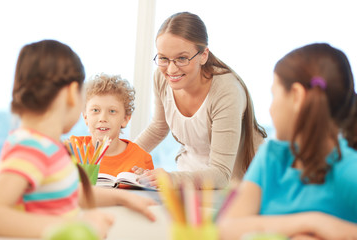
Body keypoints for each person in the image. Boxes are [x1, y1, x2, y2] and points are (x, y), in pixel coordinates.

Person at [0, 40, 156, 239]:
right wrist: (77, 228)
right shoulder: (30, 147)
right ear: (73, 94)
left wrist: (122, 197)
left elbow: (71, 192)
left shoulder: (50, 147)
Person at [218, 43, 357, 239]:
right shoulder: (271, 157)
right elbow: (226, 228)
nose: (270, 108)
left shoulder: (350, 170)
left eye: (274, 95)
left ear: (297, 96)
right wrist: (313, 222)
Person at [133, 12, 267, 189]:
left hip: (235, 187)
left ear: (203, 55)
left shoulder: (226, 91)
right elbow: (158, 127)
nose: (171, 69)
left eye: (182, 58)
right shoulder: (160, 77)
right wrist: (123, 156)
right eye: (164, 58)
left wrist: (171, 179)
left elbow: (220, 174)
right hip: (191, 181)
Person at [70, 73, 154, 178]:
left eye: (112, 111)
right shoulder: (73, 149)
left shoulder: (141, 159)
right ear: (86, 117)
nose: (103, 118)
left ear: (125, 119)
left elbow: (148, 192)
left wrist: (145, 182)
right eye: (95, 110)